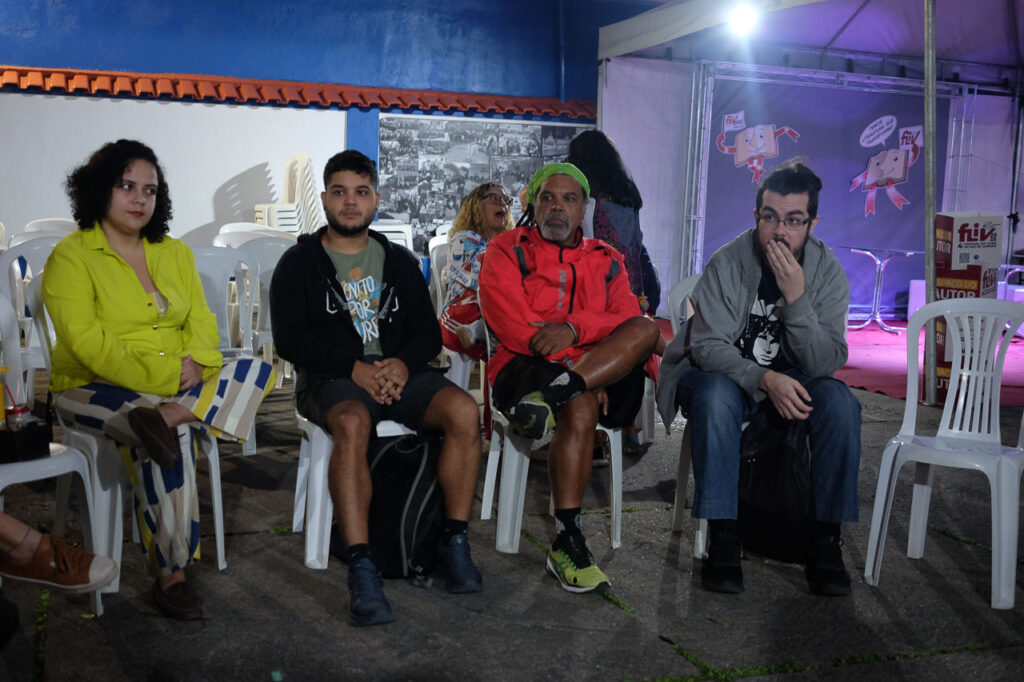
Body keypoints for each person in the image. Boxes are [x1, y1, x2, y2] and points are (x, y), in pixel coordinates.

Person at [43, 139, 276, 619]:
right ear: (99, 190)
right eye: (126, 186)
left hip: (175, 384)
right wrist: (170, 375)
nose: (139, 199)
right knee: (163, 434)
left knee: (258, 369)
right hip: (90, 386)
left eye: (149, 190)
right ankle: (173, 576)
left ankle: (168, 415)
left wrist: (200, 365)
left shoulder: (175, 253)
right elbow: (89, 344)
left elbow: (204, 324)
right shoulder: (72, 257)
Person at [270, 150, 483, 627]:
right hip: (330, 378)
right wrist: (354, 367)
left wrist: (402, 365)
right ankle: (362, 564)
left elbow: (427, 335)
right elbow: (290, 341)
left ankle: (454, 541)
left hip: (398, 373)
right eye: (340, 192)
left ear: (376, 200)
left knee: (464, 411)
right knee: (351, 422)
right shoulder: (299, 263)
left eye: (361, 192)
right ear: (325, 198)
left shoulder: (399, 261)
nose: (350, 202)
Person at [656, 159, 861, 597]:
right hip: (719, 376)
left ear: (812, 223)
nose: (779, 232)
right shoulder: (730, 261)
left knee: (841, 403)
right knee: (715, 398)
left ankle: (826, 538)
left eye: (793, 220)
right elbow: (707, 348)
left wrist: (796, 299)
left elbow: (825, 362)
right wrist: (765, 379)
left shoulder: (826, 272)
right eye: (770, 217)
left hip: (792, 377)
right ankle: (723, 533)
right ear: (756, 216)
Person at [479, 163, 661, 594]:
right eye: (547, 198)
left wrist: (575, 332)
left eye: (569, 199)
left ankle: (564, 390)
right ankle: (568, 538)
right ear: (533, 205)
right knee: (580, 402)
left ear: (584, 210)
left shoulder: (606, 259)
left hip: (594, 369)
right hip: (525, 366)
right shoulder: (506, 249)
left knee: (646, 328)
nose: (557, 207)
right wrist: (588, 369)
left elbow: (627, 320)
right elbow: (515, 325)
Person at [566, 130, 656, 314]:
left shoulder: (586, 198)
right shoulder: (626, 191)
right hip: (631, 283)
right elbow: (637, 241)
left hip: (600, 286)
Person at [438, 182, 514, 360]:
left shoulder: (507, 242)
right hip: (458, 318)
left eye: (505, 200)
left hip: (492, 316)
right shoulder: (463, 240)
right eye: (494, 198)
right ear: (476, 207)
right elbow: (487, 273)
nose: (502, 203)